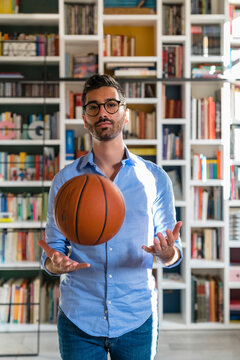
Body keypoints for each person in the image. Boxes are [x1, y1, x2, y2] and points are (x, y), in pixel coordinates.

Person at [39, 74, 183, 360]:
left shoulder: (154, 178)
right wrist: (54, 264)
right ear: (84, 119)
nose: (102, 112)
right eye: (93, 107)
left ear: (125, 114)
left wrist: (167, 254)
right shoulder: (66, 180)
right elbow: (52, 250)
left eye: (111, 104)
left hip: (137, 316)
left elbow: (173, 252)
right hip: (79, 316)